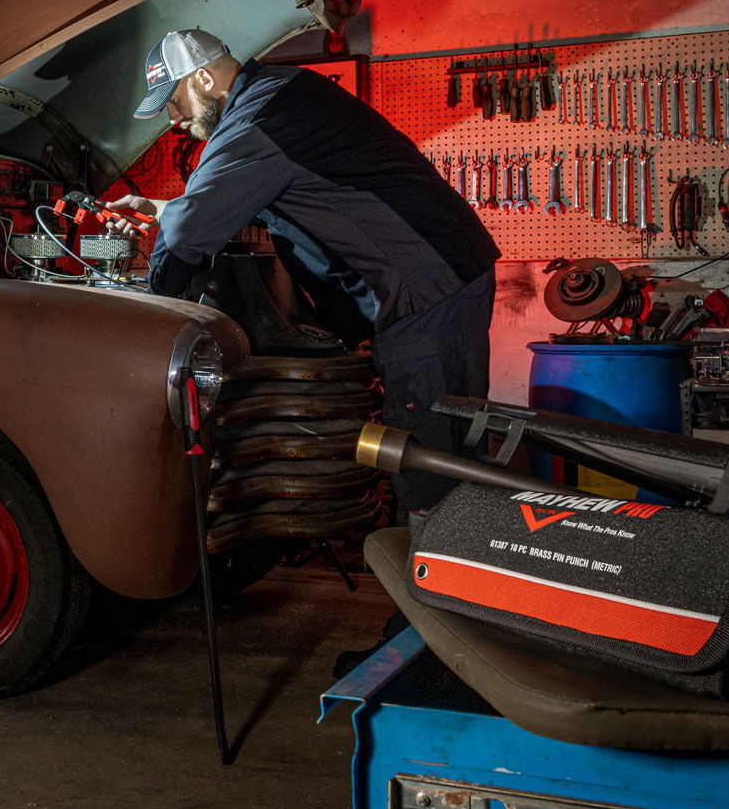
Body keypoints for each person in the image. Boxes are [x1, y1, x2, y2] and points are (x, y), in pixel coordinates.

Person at [107, 28, 500, 517]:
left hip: (426, 285)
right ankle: (457, 564)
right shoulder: (280, 92)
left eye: (175, 100)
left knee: (426, 450)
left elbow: (190, 231)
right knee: (448, 441)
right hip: (443, 273)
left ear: (204, 79)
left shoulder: (255, 121)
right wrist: (163, 207)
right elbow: (228, 202)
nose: (174, 118)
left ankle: (440, 581)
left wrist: (155, 302)